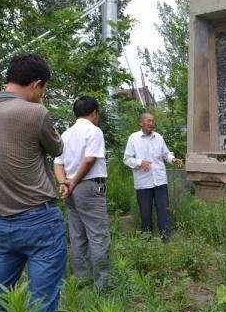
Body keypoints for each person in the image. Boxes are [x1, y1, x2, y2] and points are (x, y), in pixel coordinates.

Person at [0, 54, 66, 312]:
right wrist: (40, 107)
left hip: (1, 222)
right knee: (42, 302)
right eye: (43, 88)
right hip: (40, 220)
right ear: (36, 84)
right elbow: (57, 148)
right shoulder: (36, 112)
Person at [53, 96, 110, 289]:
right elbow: (89, 160)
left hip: (71, 189)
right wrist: (73, 181)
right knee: (97, 234)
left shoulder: (66, 135)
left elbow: (57, 163)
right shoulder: (94, 131)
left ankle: (81, 279)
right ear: (94, 113)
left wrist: (64, 183)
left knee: (78, 235)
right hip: (88, 186)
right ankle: (102, 283)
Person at [123, 113, 183, 241]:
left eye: (153, 121)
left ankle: (165, 239)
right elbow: (127, 159)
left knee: (163, 211)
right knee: (145, 213)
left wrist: (173, 160)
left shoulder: (158, 137)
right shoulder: (133, 138)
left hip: (160, 181)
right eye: (148, 121)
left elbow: (166, 154)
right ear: (141, 123)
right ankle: (147, 240)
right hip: (143, 183)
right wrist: (140, 162)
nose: (151, 123)